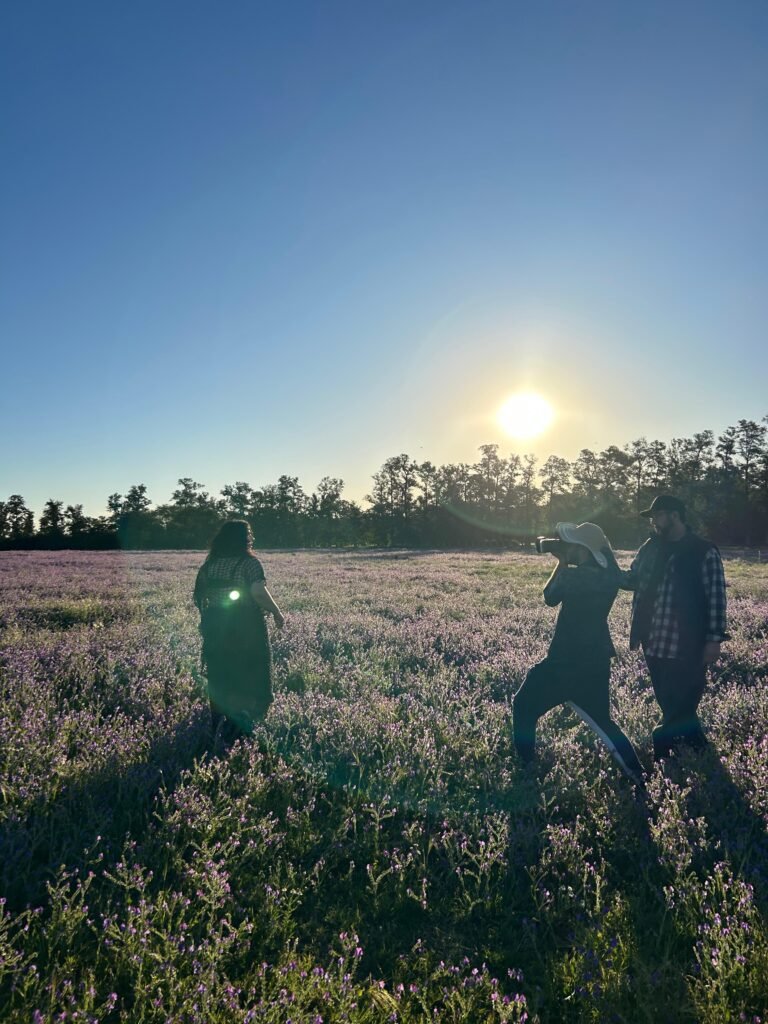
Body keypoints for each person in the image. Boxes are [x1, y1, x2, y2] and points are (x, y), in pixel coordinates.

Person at [513, 522, 645, 785]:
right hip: (596, 659)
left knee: (523, 706)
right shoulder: (610, 575)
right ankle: (637, 774)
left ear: (582, 548)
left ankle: (526, 768)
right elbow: (617, 573)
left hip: (564, 660)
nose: (566, 547)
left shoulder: (576, 576)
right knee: (604, 723)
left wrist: (561, 562)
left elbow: (549, 596)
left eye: (570, 544)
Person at [620, 494, 728, 760]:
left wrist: (714, 639)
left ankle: (663, 745)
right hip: (653, 640)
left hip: (687, 641)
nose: (654, 521)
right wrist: (600, 567)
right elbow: (632, 579)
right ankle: (698, 749)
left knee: (686, 699)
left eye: (658, 515)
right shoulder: (650, 547)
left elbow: (716, 597)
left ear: (675, 516)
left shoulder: (703, 550)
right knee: (670, 701)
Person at [193, 520, 284, 736]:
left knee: (220, 670)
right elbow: (258, 592)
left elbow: (200, 596)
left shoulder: (209, 565)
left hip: (215, 622)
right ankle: (247, 717)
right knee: (251, 667)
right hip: (245, 622)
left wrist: (207, 620)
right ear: (245, 538)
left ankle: (219, 718)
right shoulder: (248, 563)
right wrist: (276, 611)